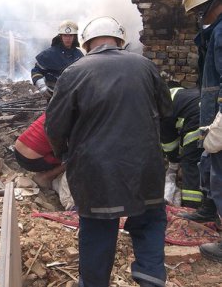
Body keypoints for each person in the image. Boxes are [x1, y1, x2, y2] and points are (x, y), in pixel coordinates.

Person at [45, 16, 173, 287]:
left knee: (97, 227)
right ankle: (151, 278)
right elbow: (166, 111)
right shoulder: (146, 66)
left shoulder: (74, 72)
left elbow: (55, 127)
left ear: (87, 43)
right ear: (119, 40)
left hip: (95, 171)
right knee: (149, 219)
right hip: (146, 166)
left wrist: (64, 155)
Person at [182, 0, 222, 262]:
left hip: (218, 116)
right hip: (210, 115)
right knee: (209, 165)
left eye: (199, 11)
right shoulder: (214, 34)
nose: (199, 18)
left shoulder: (221, 34)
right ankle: (209, 207)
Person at [160, 86, 206, 208]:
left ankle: (192, 205)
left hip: (198, 118)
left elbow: (169, 143)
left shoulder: (161, 110)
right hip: (208, 112)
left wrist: (173, 164)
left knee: (190, 161)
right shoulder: (173, 94)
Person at [31, 20, 83, 99]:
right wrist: (42, 87)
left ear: (74, 37)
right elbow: (36, 71)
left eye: (70, 36)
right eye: (65, 35)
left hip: (74, 96)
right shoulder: (49, 54)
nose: (68, 38)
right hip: (53, 96)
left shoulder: (79, 55)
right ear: (61, 36)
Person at [14, 112, 65, 188]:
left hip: (17, 149)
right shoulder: (76, 120)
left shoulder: (56, 106)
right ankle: (45, 177)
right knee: (77, 156)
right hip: (33, 162)